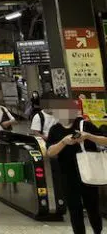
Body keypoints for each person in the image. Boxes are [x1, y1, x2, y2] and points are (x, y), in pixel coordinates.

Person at [47, 100, 107, 234]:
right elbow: (50, 152)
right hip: (67, 175)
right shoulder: (55, 129)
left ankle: (97, 230)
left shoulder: (84, 125)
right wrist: (63, 142)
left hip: (89, 173)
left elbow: (105, 140)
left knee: (92, 206)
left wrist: (88, 136)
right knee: (74, 208)